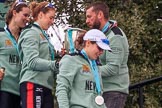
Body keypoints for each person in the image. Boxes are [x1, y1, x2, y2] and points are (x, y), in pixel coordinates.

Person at [86, 1, 130, 108]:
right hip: (103, 90)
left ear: (100, 15)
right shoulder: (101, 36)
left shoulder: (115, 36)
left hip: (114, 92)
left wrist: (87, 70)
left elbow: (112, 68)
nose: (86, 21)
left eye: (89, 17)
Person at [56, 29, 112, 108]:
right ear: (88, 42)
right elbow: (62, 89)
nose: (101, 52)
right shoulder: (71, 60)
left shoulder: (95, 66)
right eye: (99, 48)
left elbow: (97, 96)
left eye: (103, 49)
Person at [18, 1, 58, 108]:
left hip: (46, 85)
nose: (52, 21)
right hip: (33, 82)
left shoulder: (44, 36)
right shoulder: (31, 32)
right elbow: (32, 62)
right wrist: (55, 64)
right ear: (41, 15)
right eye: (51, 17)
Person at [0, 1, 30, 108]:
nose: (27, 19)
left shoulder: (26, 39)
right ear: (14, 13)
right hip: (4, 89)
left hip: (22, 91)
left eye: (29, 16)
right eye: (25, 15)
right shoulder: (1, 35)